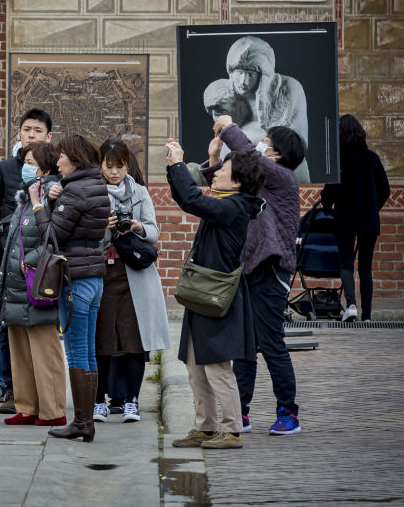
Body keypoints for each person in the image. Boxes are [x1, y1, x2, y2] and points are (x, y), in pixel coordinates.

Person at [200, 115, 305, 435]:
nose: (261, 146)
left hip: (270, 271)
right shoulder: (257, 181)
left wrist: (229, 126)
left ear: (277, 155)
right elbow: (225, 183)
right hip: (245, 269)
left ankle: (288, 412)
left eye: (267, 143)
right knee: (244, 347)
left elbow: (249, 154)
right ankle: (240, 411)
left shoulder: (282, 177)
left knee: (272, 344)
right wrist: (215, 159)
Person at [167, 142, 264, 450]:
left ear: (236, 182)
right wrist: (201, 161)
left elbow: (193, 199)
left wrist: (178, 165)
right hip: (202, 293)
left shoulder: (235, 207)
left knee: (217, 367)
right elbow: (193, 197)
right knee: (195, 366)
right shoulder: (228, 200)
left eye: (223, 169)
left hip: (216, 296)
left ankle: (233, 430)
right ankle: (205, 427)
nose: (216, 173)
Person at [0, 108, 53, 411]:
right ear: (18, 133)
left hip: (35, 264)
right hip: (2, 261)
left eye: (38, 131)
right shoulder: (3, 170)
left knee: (31, 325)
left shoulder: (53, 173)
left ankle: (27, 388)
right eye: (27, 129)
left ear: (48, 137)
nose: (32, 135)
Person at [34, 135, 108, 442]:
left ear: (74, 158)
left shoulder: (74, 191)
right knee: (88, 350)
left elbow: (52, 235)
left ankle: (81, 422)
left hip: (74, 279)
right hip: (93, 277)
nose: (58, 161)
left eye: (62, 155)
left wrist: (40, 206)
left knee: (77, 350)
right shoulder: (97, 185)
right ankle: (86, 420)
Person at [93, 139, 170, 424]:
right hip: (103, 273)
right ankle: (99, 401)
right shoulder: (94, 192)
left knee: (135, 341)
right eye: (108, 166)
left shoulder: (139, 192)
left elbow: (154, 231)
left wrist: (137, 226)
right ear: (100, 165)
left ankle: (131, 401)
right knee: (102, 339)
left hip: (135, 274)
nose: (114, 172)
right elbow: (84, 233)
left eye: (120, 166)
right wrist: (104, 227)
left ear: (128, 165)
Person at [0, 141, 66, 426]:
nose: (26, 166)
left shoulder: (53, 195)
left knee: (44, 351)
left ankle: (52, 410)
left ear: (46, 167)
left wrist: (34, 260)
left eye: (32, 161)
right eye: (24, 160)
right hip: (15, 283)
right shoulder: (25, 196)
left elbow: (55, 236)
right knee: (21, 351)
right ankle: (27, 406)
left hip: (36, 282)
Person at [322, 114, 391, 323]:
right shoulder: (372, 158)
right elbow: (385, 190)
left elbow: (329, 191)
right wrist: (372, 207)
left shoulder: (338, 160)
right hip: (369, 221)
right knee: (366, 268)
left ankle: (351, 306)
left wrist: (326, 206)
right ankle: (367, 316)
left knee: (346, 265)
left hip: (345, 219)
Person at [225, 36, 309, 182]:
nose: (243, 81)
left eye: (251, 74)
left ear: (263, 75)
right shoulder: (229, 95)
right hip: (246, 175)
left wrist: (243, 140)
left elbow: (294, 142)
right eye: (239, 72)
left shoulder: (289, 88)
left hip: (284, 168)